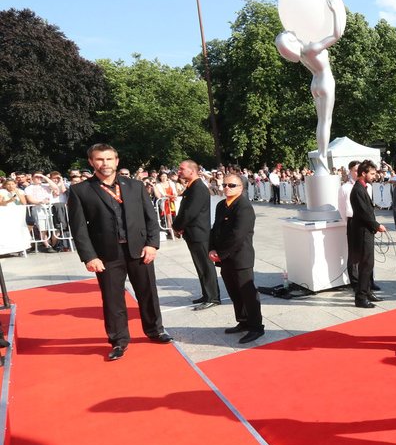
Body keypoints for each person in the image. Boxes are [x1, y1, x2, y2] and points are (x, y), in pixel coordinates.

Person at [66, 143, 172, 361]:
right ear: (91, 162)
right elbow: (79, 228)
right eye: (99, 159)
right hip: (106, 255)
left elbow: (150, 217)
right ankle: (118, 341)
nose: (104, 164)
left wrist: (152, 244)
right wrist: (89, 256)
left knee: (148, 293)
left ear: (117, 160)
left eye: (108, 159)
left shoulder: (135, 186)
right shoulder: (80, 191)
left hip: (139, 250)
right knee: (113, 299)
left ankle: (155, 330)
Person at [274, 0, 345, 173]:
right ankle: (322, 157)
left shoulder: (303, 54)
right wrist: (336, 11)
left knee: (321, 122)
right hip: (325, 81)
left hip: (315, 84)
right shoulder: (310, 49)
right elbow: (336, 34)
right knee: (325, 122)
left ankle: (321, 156)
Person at [208, 173, 264, 344]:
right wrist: (211, 248)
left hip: (241, 258)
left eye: (232, 185)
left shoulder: (244, 207)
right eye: (225, 184)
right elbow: (215, 229)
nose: (227, 188)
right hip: (225, 258)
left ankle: (256, 327)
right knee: (234, 293)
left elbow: (237, 235)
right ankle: (243, 321)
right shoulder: (221, 205)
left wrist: (220, 254)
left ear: (241, 188)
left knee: (248, 294)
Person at [173, 160, 220, 310]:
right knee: (200, 265)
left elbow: (189, 212)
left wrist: (177, 226)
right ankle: (206, 294)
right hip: (193, 233)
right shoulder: (192, 186)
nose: (179, 171)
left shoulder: (198, 188)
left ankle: (213, 297)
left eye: (182, 169)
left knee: (205, 265)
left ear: (192, 171)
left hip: (199, 233)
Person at [349, 159, 386, 309]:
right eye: (371, 173)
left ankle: (368, 292)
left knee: (368, 264)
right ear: (363, 173)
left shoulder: (363, 187)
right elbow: (364, 213)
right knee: (366, 264)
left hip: (366, 231)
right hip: (362, 232)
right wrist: (377, 226)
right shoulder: (358, 189)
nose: (374, 176)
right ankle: (361, 297)